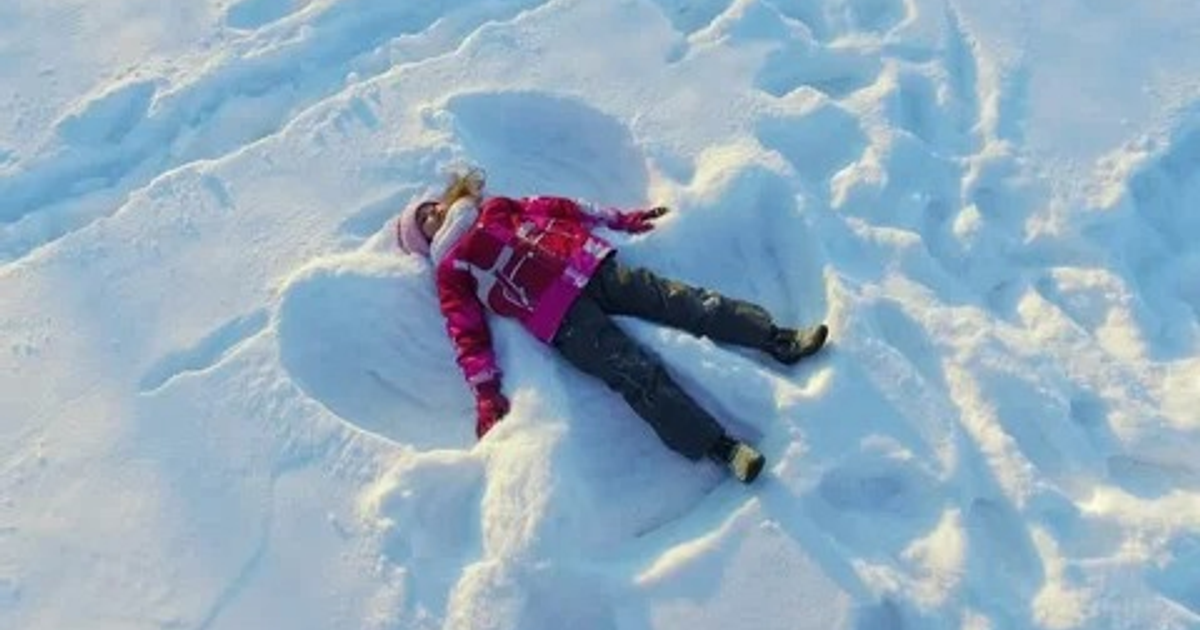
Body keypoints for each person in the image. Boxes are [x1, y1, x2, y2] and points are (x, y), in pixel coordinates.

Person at [395, 168, 828, 483]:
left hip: (592, 265)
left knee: (686, 303)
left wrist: (618, 219)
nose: (433, 212)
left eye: (431, 206)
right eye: (424, 220)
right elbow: (466, 331)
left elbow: (556, 207)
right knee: (635, 375)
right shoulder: (451, 269)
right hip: (561, 318)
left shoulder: (493, 208)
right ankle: (721, 447)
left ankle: (776, 339)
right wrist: (486, 394)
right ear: (426, 242)